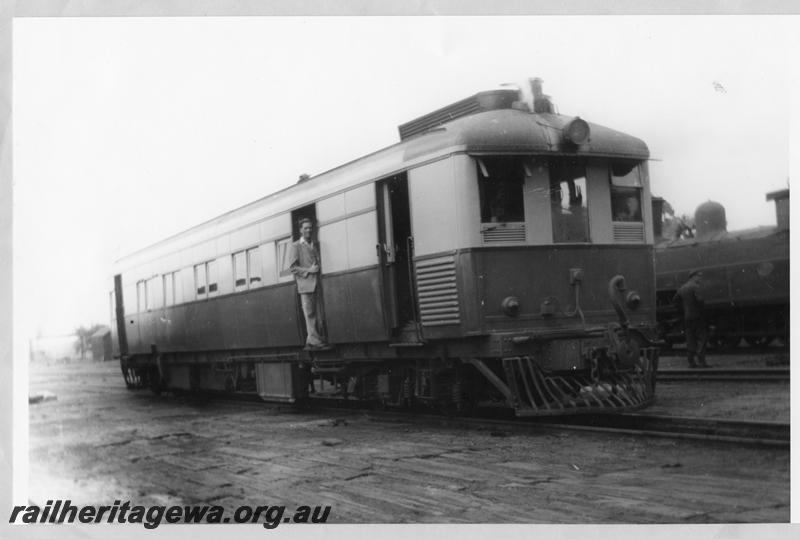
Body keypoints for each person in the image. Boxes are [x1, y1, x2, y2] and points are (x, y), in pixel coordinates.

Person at [288, 218, 330, 351]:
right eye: (305, 228)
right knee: (310, 314)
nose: (308, 230)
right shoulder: (296, 246)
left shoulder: (313, 245)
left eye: (310, 228)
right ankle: (313, 340)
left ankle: (317, 339)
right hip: (305, 285)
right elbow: (293, 268)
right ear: (300, 230)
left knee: (318, 313)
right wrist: (309, 271)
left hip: (317, 284)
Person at [672, 270, 710, 368]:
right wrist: (704, 310)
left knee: (690, 339)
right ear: (693, 277)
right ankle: (702, 361)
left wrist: (683, 309)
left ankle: (691, 362)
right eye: (699, 276)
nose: (700, 278)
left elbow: (675, 301)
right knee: (702, 338)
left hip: (687, 317)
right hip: (698, 316)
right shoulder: (696, 287)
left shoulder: (682, 288)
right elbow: (700, 300)